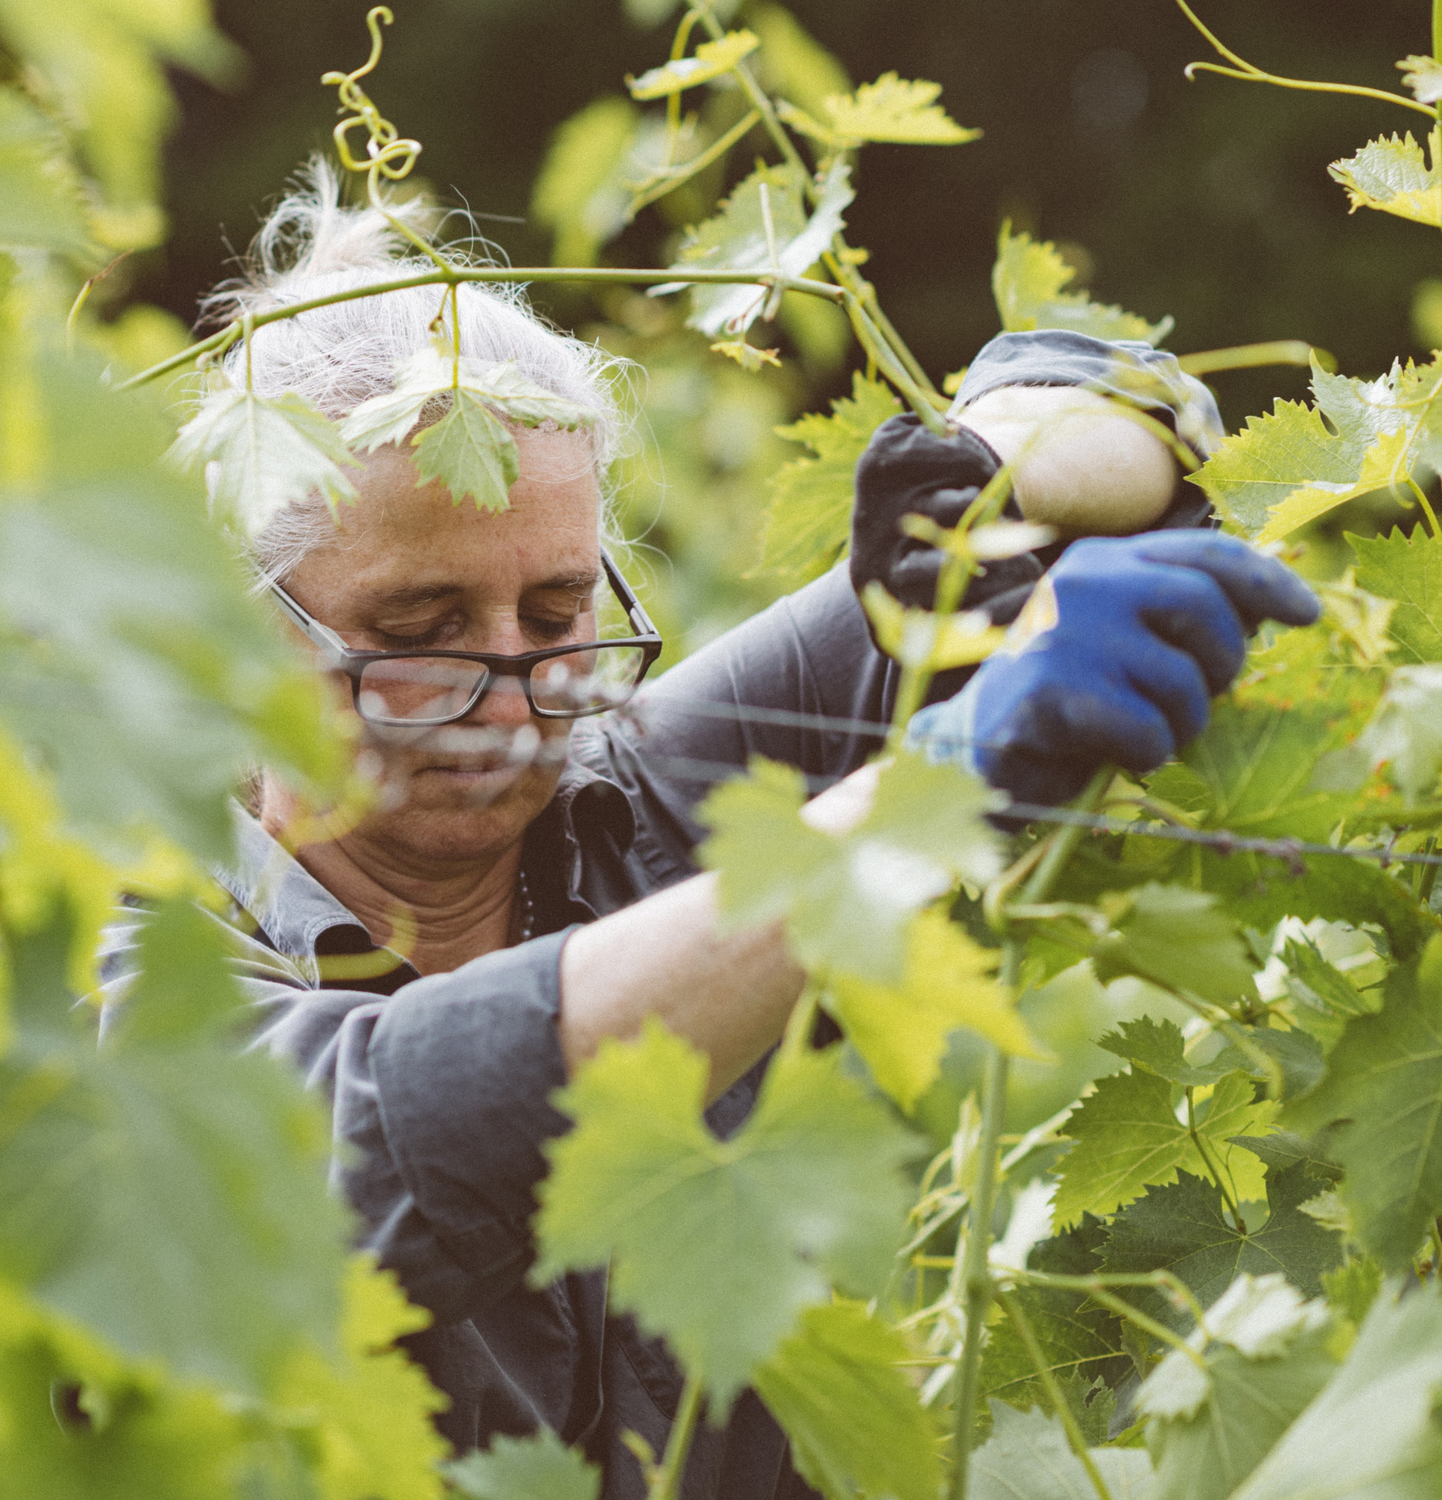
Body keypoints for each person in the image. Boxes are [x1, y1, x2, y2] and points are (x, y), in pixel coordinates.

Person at [107, 166, 1318, 1500]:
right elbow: (382, 1132)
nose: (515, 696)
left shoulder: (646, 798)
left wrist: (999, 457)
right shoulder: (115, 984)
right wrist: (909, 802)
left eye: (558, 615)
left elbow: (1116, 435)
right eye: (420, 630)